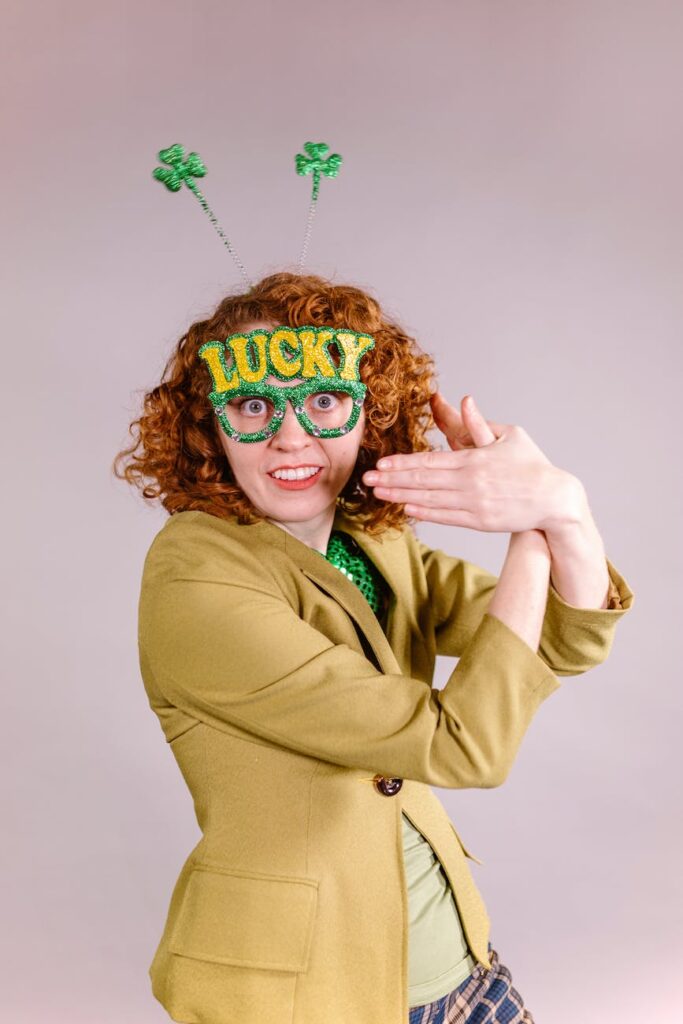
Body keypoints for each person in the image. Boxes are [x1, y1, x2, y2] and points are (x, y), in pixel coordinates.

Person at [114, 270, 633, 1024]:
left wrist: (567, 511)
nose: (291, 438)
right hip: (307, 998)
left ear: (370, 412)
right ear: (208, 425)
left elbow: (557, 635)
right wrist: (530, 525)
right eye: (254, 406)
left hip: (456, 968)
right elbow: (463, 749)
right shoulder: (195, 584)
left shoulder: (371, 539)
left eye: (322, 401)